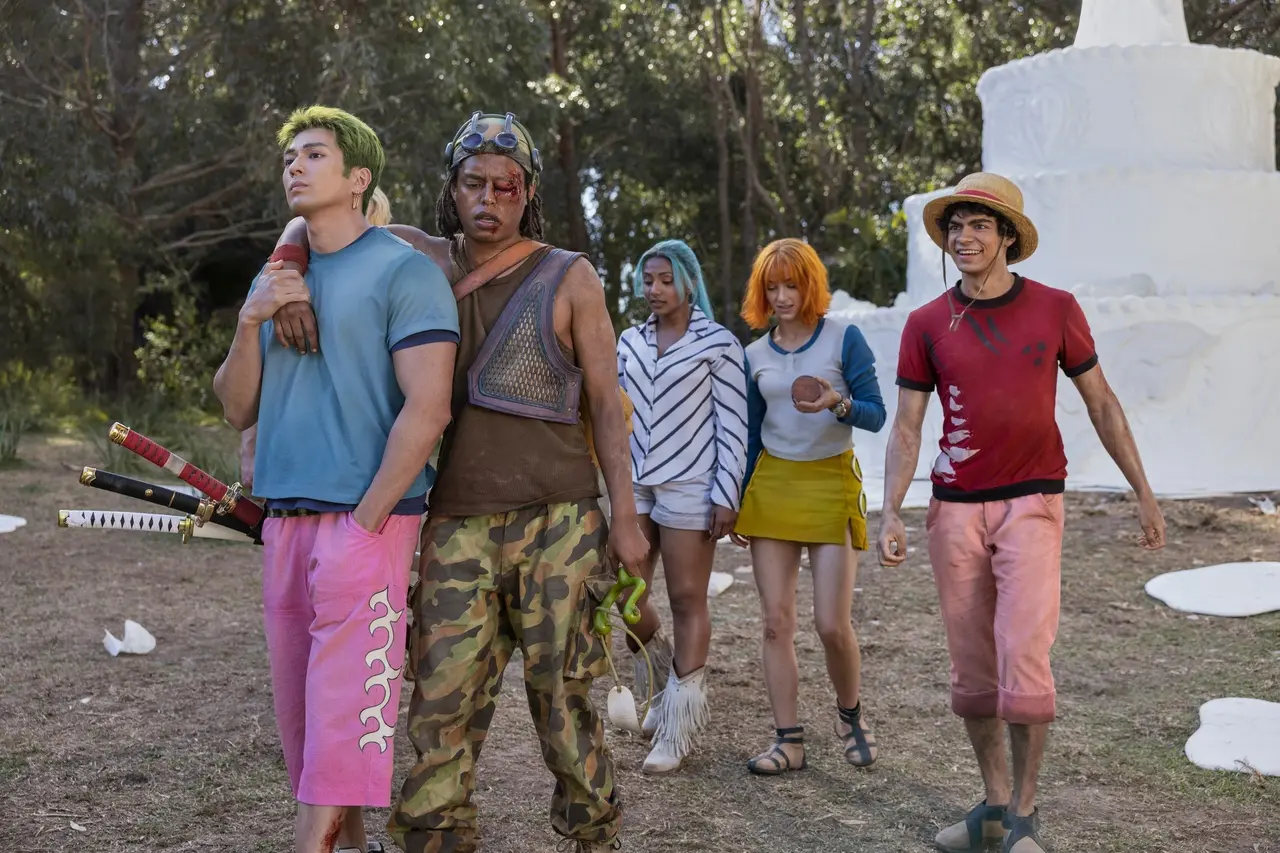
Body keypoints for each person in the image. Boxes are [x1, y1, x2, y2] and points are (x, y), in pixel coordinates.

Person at [265, 111, 647, 853]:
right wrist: (290, 278)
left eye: (506, 186)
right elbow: (315, 223)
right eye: (474, 182)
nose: (489, 199)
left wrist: (625, 520)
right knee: (437, 708)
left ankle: (594, 836)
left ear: (527, 191)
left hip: (561, 522)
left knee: (563, 703)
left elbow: (607, 406)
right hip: (455, 525)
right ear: (452, 187)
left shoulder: (570, 275)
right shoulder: (414, 258)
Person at [876, 172, 1167, 853]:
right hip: (953, 511)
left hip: (1033, 503)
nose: (964, 235)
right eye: (955, 225)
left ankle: (1027, 819)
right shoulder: (926, 325)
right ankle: (995, 810)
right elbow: (909, 425)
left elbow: (1102, 403)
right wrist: (891, 510)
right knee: (973, 670)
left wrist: (1144, 493)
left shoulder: (1055, 308)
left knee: (1023, 657)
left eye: (979, 223)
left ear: (1007, 235)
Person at [212, 106, 458, 853]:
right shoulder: (278, 278)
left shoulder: (402, 271)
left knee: (346, 713)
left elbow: (430, 407)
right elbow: (235, 405)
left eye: (313, 153)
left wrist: (367, 522)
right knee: (308, 724)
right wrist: (249, 319)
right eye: (289, 155)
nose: (294, 165)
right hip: (283, 521)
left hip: (366, 521)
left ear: (358, 179)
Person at [730, 238, 887, 776]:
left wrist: (834, 402)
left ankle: (851, 716)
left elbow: (875, 415)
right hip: (772, 485)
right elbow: (751, 435)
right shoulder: (753, 354)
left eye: (790, 284)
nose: (781, 296)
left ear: (810, 285)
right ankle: (788, 741)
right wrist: (738, 498)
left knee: (830, 624)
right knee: (775, 623)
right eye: (771, 286)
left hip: (829, 482)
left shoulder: (844, 338)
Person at [613, 238, 748, 773]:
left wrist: (726, 494)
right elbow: (614, 411)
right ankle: (664, 671)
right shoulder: (628, 342)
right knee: (624, 594)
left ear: (688, 282)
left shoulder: (718, 344)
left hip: (694, 487)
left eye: (666, 280)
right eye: (648, 280)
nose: (655, 290)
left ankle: (677, 725)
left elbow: (734, 425)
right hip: (636, 484)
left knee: (688, 598)